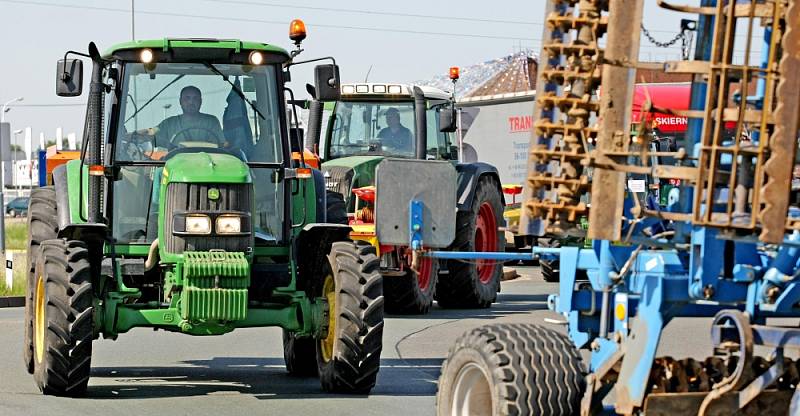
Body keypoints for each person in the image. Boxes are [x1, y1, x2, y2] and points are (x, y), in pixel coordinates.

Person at [150, 86, 224, 149]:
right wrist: (141, 135)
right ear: (180, 101)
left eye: (195, 98)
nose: (191, 102)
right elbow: (150, 135)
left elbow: (222, 145)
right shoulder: (169, 124)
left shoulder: (211, 122)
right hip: (176, 165)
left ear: (201, 101)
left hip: (208, 164)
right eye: (187, 98)